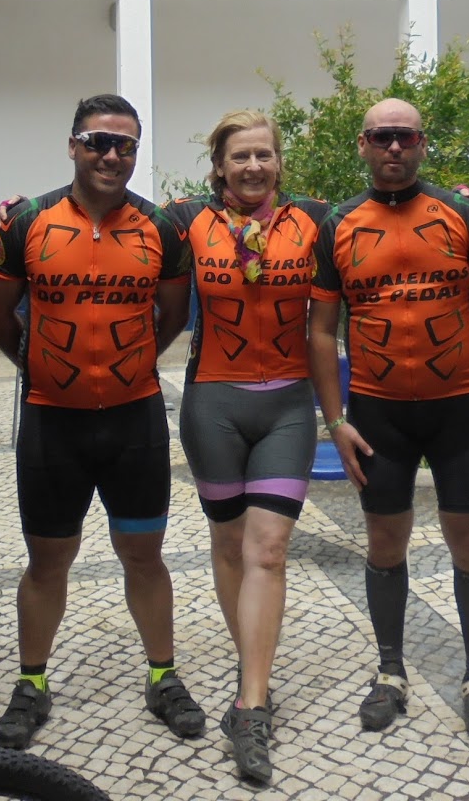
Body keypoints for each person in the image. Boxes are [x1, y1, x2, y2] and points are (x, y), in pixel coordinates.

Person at [0, 94, 206, 751]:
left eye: (124, 144)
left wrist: (127, 364)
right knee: (48, 560)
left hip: (135, 420)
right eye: (97, 141)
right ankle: (32, 682)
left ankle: (162, 675)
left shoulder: (160, 229)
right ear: (73, 145)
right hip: (53, 423)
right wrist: (42, 366)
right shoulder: (27, 221)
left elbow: (173, 315)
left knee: (144, 555)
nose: (111, 154)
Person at [307, 98, 469, 743]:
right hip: (379, 413)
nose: (394, 148)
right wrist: (334, 420)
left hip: (460, 408)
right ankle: (390, 671)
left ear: (423, 143)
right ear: (363, 145)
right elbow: (320, 331)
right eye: (382, 137)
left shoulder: (461, 214)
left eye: (405, 137)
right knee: (384, 543)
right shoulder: (338, 223)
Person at [162, 109, 329, 785]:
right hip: (214, 405)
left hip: (288, 406)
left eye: (264, 154)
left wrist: (462, 198)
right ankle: (250, 662)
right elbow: (111, 218)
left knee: (269, 550)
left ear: (279, 161)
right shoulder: (186, 221)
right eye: (240, 157)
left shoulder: (315, 220)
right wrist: (21, 211)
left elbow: (384, 211)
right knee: (230, 545)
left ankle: (251, 704)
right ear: (219, 166)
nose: (253, 166)